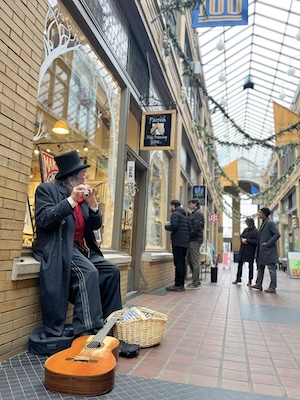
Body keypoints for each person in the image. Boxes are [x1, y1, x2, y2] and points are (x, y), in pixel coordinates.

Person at [32, 150, 122, 338]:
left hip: (82, 249)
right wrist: (71, 200)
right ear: (72, 177)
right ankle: (88, 331)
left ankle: (112, 323)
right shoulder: (47, 190)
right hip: (60, 248)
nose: (85, 176)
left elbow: (95, 224)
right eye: (83, 173)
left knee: (111, 271)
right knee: (88, 273)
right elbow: (45, 219)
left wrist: (93, 204)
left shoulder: (82, 198)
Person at [250, 207, 280, 293]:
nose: (259, 214)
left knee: (271, 269)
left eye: (260, 212)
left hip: (269, 251)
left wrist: (268, 243)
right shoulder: (263, 223)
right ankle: (259, 284)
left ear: (264, 214)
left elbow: (277, 234)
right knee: (260, 267)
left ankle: (272, 286)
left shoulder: (270, 223)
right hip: (262, 251)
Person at [165, 199, 190, 292]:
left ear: (173, 206)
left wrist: (167, 226)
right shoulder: (185, 216)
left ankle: (177, 285)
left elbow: (174, 226)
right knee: (182, 263)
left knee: (178, 263)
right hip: (185, 243)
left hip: (178, 242)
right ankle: (182, 284)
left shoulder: (175, 214)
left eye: (170, 206)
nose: (170, 208)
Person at [232, 217, 258, 286]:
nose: (247, 225)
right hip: (243, 249)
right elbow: (241, 236)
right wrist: (241, 240)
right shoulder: (246, 230)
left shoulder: (256, 231)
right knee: (240, 264)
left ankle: (250, 280)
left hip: (250, 251)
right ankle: (238, 278)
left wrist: (247, 240)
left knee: (250, 266)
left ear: (251, 223)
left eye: (247, 223)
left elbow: (256, 241)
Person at [186, 198, 205, 289]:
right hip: (193, 239)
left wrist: (189, 235)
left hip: (195, 240)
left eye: (190, 204)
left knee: (194, 261)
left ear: (195, 204)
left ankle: (195, 283)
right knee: (189, 259)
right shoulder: (195, 214)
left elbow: (196, 227)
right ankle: (195, 280)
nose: (189, 205)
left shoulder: (197, 214)